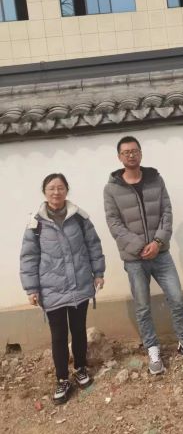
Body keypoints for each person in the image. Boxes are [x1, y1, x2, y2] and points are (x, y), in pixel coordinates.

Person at [103, 135, 183, 374]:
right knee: (142, 307)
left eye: (134, 150)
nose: (131, 155)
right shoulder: (111, 189)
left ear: (140, 153)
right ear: (119, 157)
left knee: (177, 299)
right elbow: (114, 223)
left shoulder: (155, 180)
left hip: (161, 254)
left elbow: (166, 212)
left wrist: (158, 242)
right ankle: (152, 349)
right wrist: (140, 246)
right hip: (134, 259)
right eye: (126, 152)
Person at [20, 173, 105, 404]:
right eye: (51, 188)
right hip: (51, 289)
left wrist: (98, 273)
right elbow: (29, 257)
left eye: (60, 188)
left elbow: (93, 245)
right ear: (44, 192)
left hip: (79, 284)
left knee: (78, 330)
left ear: (67, 190)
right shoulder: (36, 223)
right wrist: (31, 289)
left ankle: (80, 368)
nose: (56, 192)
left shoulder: (79, 217)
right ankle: (62, 379)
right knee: (58, 335)